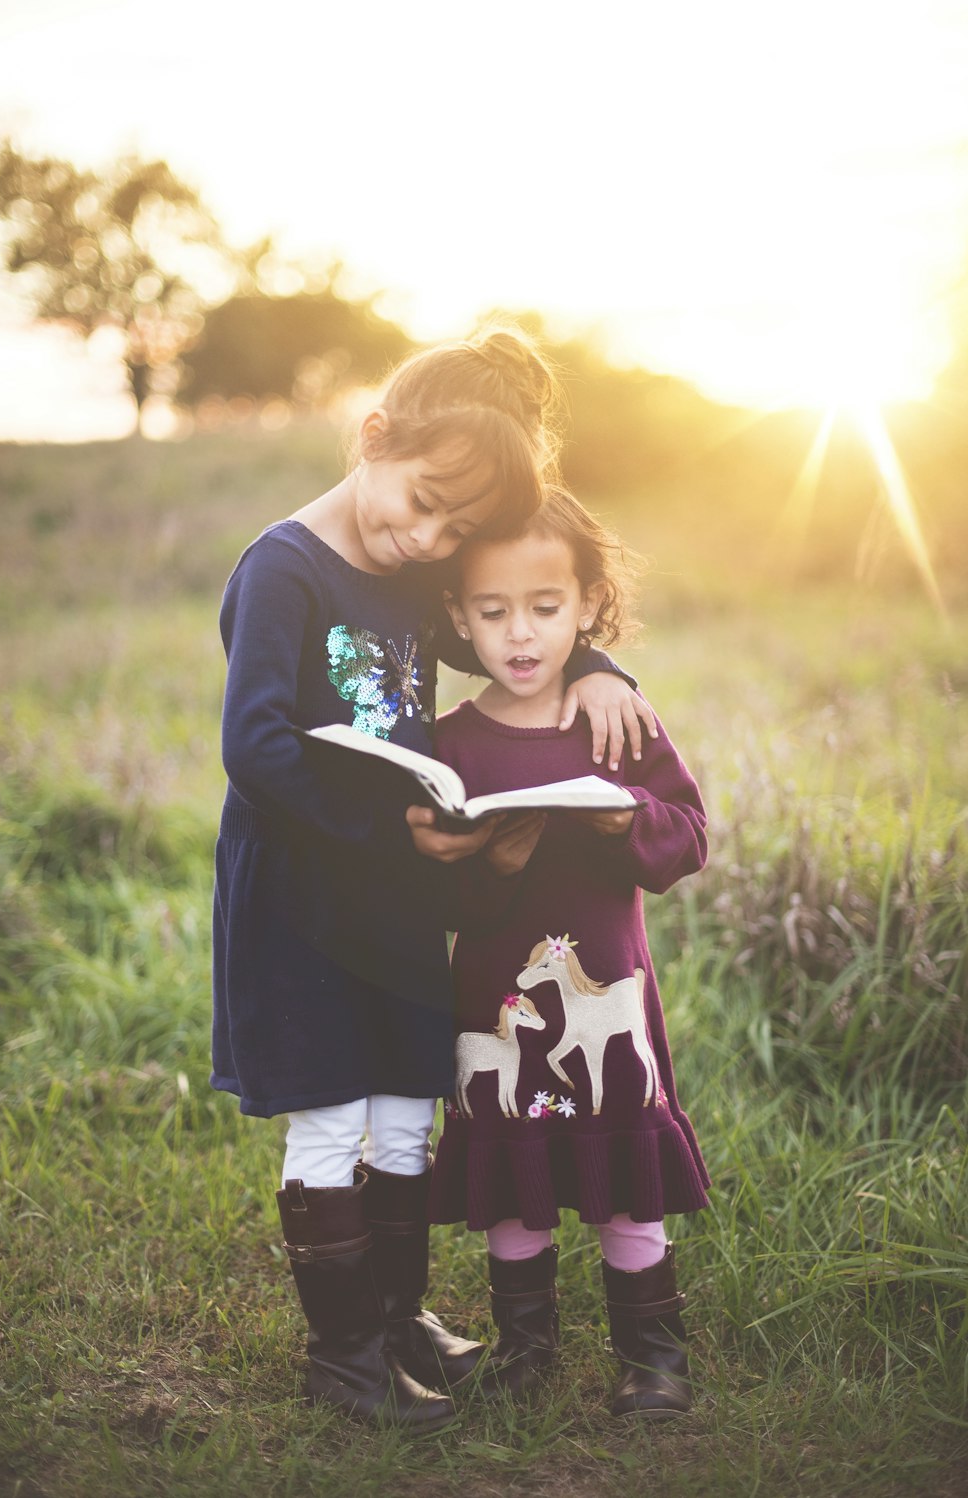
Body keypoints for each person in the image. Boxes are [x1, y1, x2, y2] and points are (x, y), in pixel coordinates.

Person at [210, 328, 656, 1432]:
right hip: (304, 893)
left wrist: (595, 662)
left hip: (399, 895)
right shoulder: (283, 567)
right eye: (421, 506)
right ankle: (344, 1356)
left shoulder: (413, 573)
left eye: (455, 530)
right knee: (330, 1115)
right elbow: (256, 746)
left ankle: (399, 1319)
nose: (428, 539)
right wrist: (387, 830)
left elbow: (502, 634)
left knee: (408, 1109)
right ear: (372, 438)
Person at [425, 486, 710, 1420]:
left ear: (587, 607)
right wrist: (490, 863)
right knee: (513, 1178)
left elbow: (688, 838)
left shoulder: (616, 719)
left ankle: (652, 1356)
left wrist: (625, 816)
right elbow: (436, 896)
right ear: (459, 617)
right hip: (496, 1000)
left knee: (627, 1181)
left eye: (545, 609)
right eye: (493, 611)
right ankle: (525, 1348)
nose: (519, 634)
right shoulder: (449, 746)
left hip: (608, 990)